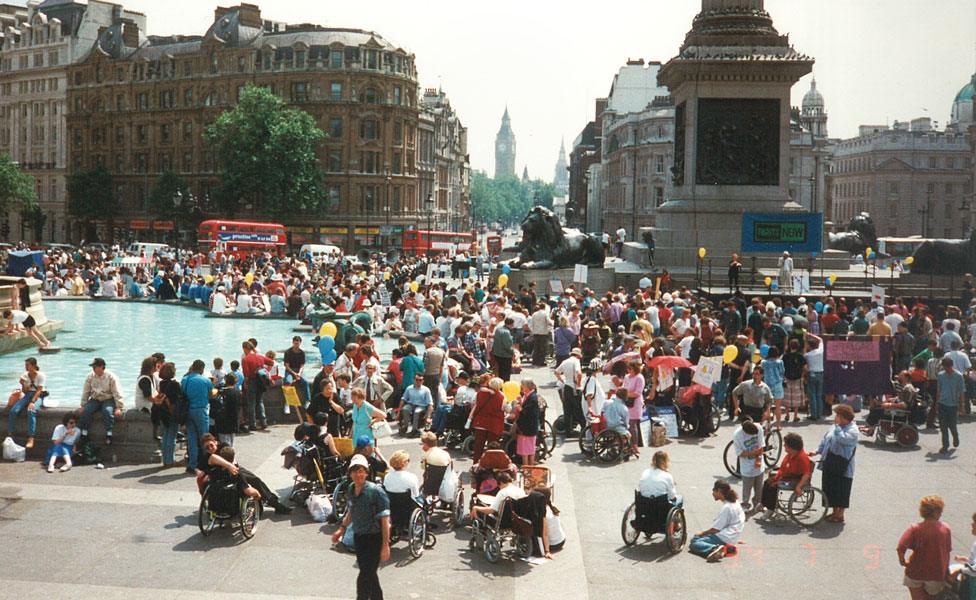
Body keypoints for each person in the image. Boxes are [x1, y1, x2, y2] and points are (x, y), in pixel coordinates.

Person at [331, 454, 391, 600]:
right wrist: (342, 528)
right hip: (360, 538)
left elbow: (385, 521)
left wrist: (385, 545)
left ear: (366, 472)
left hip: (374, 539)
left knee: (364, 577)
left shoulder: (376, 492)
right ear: (350, 473)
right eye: (355, 471)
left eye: (361, 471)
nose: (358, 474)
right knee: (370, 574)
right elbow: (352, 510)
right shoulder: (352, 489)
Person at [897, 495, 952, 600]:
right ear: (936, 512)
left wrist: (903, 561)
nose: (941, 513)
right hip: (936, 573)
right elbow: (947, 552)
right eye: (940, 511)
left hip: (915, 571)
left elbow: (901, 547)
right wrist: (946, 570)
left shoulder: (914, 529)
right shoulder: (945, 529)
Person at [811, 404, 858, 524]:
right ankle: (834, 512)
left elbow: (842, 439)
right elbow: (826, 439)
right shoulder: (834, 427)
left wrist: (837, 427)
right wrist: (817, 451)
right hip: (830, 461)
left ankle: (840, 515)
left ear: (844, 417)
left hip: (843, 465)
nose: (835, 417)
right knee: (830, 488)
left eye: (838, 415)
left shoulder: (852, 430)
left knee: (841, 489)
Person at [758, 432, 813, 520]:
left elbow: (806, 474)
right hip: (787, 477)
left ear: (791, 447)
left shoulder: (802, 458)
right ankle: (764, 503)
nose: (784, 446)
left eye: (785, 445)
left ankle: (770, 509)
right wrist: (776, 478)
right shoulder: (790, 455)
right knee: (767, 482)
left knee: (773, 486)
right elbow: (783, 468)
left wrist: (799, 487)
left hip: (796, 480)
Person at [689, 480, 745, 562]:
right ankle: (727, 547)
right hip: (733, 536)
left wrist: (701, 533)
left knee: (694, 542)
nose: (712, 493)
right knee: (701, 539)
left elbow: (716, 529)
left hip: (724, 537)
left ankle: (713, 549)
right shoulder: (736, 502)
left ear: (719, 491)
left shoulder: (727, 507)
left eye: (713, 491)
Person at [78, 358, 124, 446]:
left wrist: (119, 407)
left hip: (108, 399)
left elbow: (117, 392)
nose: (93, 369)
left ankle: (109, 433)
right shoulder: (90, 377)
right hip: (95, 399)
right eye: (93, 367)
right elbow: (86, 392)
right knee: (86, 411)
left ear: (102, 367)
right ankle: (84, 433)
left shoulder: (111, 377)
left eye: (95, 367)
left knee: (107, 411)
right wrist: (83, 404)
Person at [181, 359, 214, 474]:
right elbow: (211, 394)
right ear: (202, 369)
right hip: (201, 410)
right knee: (205, 438)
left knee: (192, 438)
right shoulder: (205, 380)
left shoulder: (185, 379)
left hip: (188, 410)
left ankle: (192, 464)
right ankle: (206, 463)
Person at [7, 357, 45, 449]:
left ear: (34, 365)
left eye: (27, 365)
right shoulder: (25, 375)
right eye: (25, 365)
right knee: (13, 411)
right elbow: (24, 391)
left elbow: (39, 390)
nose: (26, 367)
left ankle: (31, 437)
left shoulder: (41, 375)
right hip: (28, 394)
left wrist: (32, 402)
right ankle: (10, 434)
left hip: (38, 395)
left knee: (31, 411)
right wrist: (23, 384)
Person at [468, 376, 506, 463]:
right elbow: (506, 409)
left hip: (481, 422)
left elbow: (474, 403)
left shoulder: (480, 393)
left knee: (478, 446)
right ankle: (490, 465)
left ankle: (476, 465)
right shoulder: (502, 396)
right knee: (492, 447)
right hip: (494, 425)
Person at [732, 419, 765, 514]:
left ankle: (758, 503)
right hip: (746, 467)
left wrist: (758, 458)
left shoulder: (758, 428)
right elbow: (740, 453)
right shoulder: (737, 435)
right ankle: (745, 504)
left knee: (759, 488)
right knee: (747, 488)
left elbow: (761, 445)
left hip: (759, 464)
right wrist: (752, 453)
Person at [153, 362, 181, 467]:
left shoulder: (162, 383)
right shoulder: (175, 384)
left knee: (165, 435)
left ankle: (165, 459)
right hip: (171, 412)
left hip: (163, 412)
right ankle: (170, 460)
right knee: (172, 436)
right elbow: (178, 399)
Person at [936, 356, 965, 454]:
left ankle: (955, 436)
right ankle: (945, 445)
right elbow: (939, 390)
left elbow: (961, 392)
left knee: (952, 425)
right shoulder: (941, 375)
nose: (946, 369)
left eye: (947, 367)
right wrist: (936, 403)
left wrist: (962, 407)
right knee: (943, 426)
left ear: (951, 366)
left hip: (953, 404)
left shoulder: (958, 376)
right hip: (942, 403)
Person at [554, 348, 583, 435]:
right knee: (578, 410)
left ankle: (568, 431)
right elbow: (579, 373)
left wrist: (563, 381)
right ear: (578, 355)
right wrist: (578, 383)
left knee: (567, 411)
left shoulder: (565, 361)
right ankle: (584, 428)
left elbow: (556, 372)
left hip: (567, 387)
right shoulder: (576, 361)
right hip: (573, 387)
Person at [514, 378, 541, 466]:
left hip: (528, 427)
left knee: (525, 449)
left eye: (523, 385)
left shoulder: (532, 397)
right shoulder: (529, 395)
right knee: (529, 448)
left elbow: (528, 413)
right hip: (529, 427)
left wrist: (520, 408)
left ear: (527, 386)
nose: (521, 387)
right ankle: (529, 466)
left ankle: (527, 467)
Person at [283, 336, 311, 405]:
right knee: (288, 382)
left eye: (297, 344)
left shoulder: (302, 353)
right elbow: (286, 366)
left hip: (298, 370)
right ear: (292, 343)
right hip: (290, 370)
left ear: (300, 343)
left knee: (305, 382)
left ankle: (307, 401)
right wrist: (294, 373)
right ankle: (287, 402)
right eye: (295, 343)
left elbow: (302, 365)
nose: (296, 345)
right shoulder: (287, 352)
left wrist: (299, 373)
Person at [492, 317, 515, 381]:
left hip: (497, 353)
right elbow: (507, 346)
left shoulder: (498, 329)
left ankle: (500, 384)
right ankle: (505, 385)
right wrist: (513, 353)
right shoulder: (506, 332)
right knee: (506, 373)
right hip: (505, 355)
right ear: (511, 324)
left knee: (500, 371)